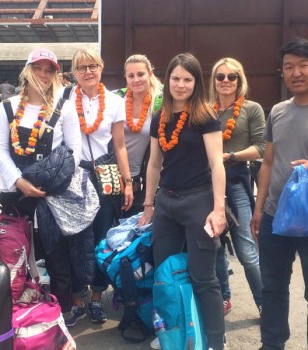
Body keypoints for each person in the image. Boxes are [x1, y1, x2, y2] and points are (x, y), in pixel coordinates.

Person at [139, 53, 226, 350]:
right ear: (167, 81)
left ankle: (215, 341)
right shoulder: (159, 118)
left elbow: (217, 164)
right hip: (166, 203)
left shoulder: (205, 116)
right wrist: (149, 205)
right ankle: (170, 333)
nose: (180, 84)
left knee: (204, 278)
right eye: (175, 78)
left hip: (199, 203)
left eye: (187, 79)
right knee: (164, 274)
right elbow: (153, 164)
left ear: (196, 82)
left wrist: (217, 210)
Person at [0, 48, 84, 326]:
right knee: (14, 255)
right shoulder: (8, 106)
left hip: (51, 196)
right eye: (38, 68)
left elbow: (75, 152)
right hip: (16, 195)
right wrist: (19, 181)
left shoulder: (64, 106)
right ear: (27, 69)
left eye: (50, 69)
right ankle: (16, 318)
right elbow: (0, 148)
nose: (43, 75)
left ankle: (61, 315)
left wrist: (48, 184)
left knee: (57, 257)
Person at [63, 48, 133, 324]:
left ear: (102, 68)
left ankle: (96, 298)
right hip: (73, 177)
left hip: (103, 175)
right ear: (74, 72)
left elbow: (119, 145)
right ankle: (78, 298)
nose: (88, 71)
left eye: (92, 66)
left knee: (102, 236)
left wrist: (127, 182)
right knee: (76, 238)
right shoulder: (66, 98)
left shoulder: (115, 101)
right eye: (81, 67)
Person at [250, 37, 308, 350]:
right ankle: (272, 344)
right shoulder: (278, 113)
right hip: (275, 215)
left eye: (303, 65)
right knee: (273, 287)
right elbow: (268, 163)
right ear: (282, 72)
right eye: (289, 67)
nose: (296, 72)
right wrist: (259, 210)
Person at [209, 57, 265, 316]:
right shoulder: (205, 110)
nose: (226, 81)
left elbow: (261, 148)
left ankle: (265, 303)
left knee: (246, 251)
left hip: (237, 184)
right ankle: (224, 298)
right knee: (215, 247)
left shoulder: (251, 109)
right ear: (214, 80)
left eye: (232, 77)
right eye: (220, 76)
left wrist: (229, 157)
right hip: (208, 186)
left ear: (239, 80)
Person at [116, 54, 163, 217]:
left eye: (141, 74)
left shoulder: (160, 102)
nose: (136, 80)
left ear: (150, 74)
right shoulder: (116, 98)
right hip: (112, 175)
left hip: (140, 179)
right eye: (131, 76)